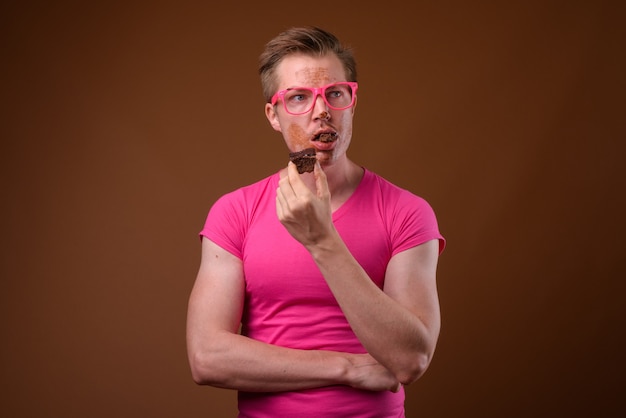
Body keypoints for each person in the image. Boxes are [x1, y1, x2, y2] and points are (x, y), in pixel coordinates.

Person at [186, 26, 445, 418]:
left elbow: (410, 359)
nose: (321, 111)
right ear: (274, 115)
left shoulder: (406, 212)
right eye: (299, 98)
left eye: (335, 94)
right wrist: (349, 367)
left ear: (352, 103)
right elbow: (207, 357)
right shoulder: (234, 211)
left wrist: (323, 239)